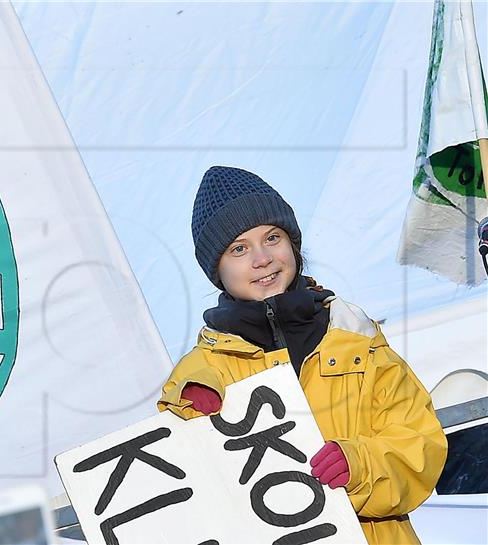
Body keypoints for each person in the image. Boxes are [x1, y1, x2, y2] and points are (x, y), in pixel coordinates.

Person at [157, 166, 447, 545]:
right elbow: (181, 495)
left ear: (293, 244)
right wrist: (191, 421)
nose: (262, 258)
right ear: (217, 270)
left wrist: (359, 464)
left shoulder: (356, 337)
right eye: (239, 249)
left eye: (272, 237)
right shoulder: (198, 376)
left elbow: (421, 445)